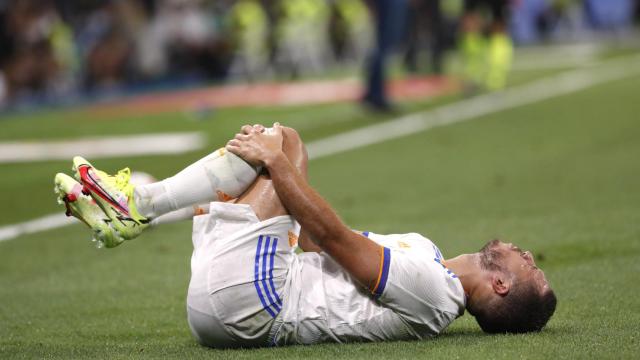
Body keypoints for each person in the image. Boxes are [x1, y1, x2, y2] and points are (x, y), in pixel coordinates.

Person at [53, 123, 556, 347]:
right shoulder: (426, 252)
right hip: (233, 302)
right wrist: (265, 174)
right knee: (258, 166)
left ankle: (137, 205)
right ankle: (137, 208)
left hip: (256, 303)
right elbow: (315, 242)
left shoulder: (436, 294)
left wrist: (277, 159)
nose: (528, 254)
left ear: (502, 287)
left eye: (530, 266)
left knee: (284, 142)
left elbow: (332, 238)